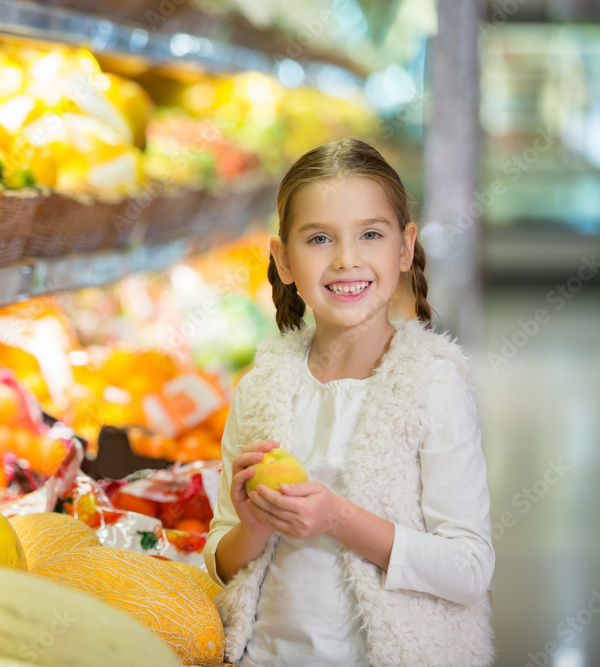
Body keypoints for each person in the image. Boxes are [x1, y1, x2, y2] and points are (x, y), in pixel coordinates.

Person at [205, 139, 494, 667]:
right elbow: (222, 560)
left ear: (404, 248)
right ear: (283, 259)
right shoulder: (260, 390)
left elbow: (469, 569)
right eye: (319, 238)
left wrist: (336, 517)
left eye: (370, 235)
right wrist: (253, 526)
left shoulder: (431, 385)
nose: (346, 259)